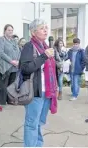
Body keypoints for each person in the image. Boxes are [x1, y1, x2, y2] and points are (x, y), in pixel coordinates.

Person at [20, 19, 58, 147]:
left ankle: (38, 145)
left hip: (47, 91)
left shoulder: (46, 47)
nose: (46, 30)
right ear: (33, 32)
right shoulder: (29, 46)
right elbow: (25, 68)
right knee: (32, 123)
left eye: (46, 27)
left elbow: (52, 69)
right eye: (42, 28)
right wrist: (43, 57)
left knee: (39, 122)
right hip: (35, 92)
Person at [0, 24, 20, 111]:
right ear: (5, 30)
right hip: (5, 66)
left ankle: (9, 100)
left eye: (11, 30)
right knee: (2, 86)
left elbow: (18, 51)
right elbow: (0, 52)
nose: (10, 32)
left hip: (14, 67)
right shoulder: (1, 40)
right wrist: (11, 61)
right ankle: (0, 103)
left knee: (11, 85)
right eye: (9, 30)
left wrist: (18, 61)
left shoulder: (13, 41)